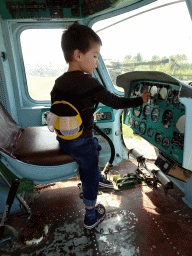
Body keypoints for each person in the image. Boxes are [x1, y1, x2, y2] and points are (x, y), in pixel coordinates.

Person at [51, 23, 151, 230]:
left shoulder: (58, 82)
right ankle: (90, 215)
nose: (96, 62)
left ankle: (98, 177)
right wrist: (140, 100)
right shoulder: (89, 82)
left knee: (95, 146)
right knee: (88, 167)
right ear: (78, 55)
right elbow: (116, 102)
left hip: (64, 138)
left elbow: (55, 110)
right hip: (81, 141)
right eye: (95, 56)